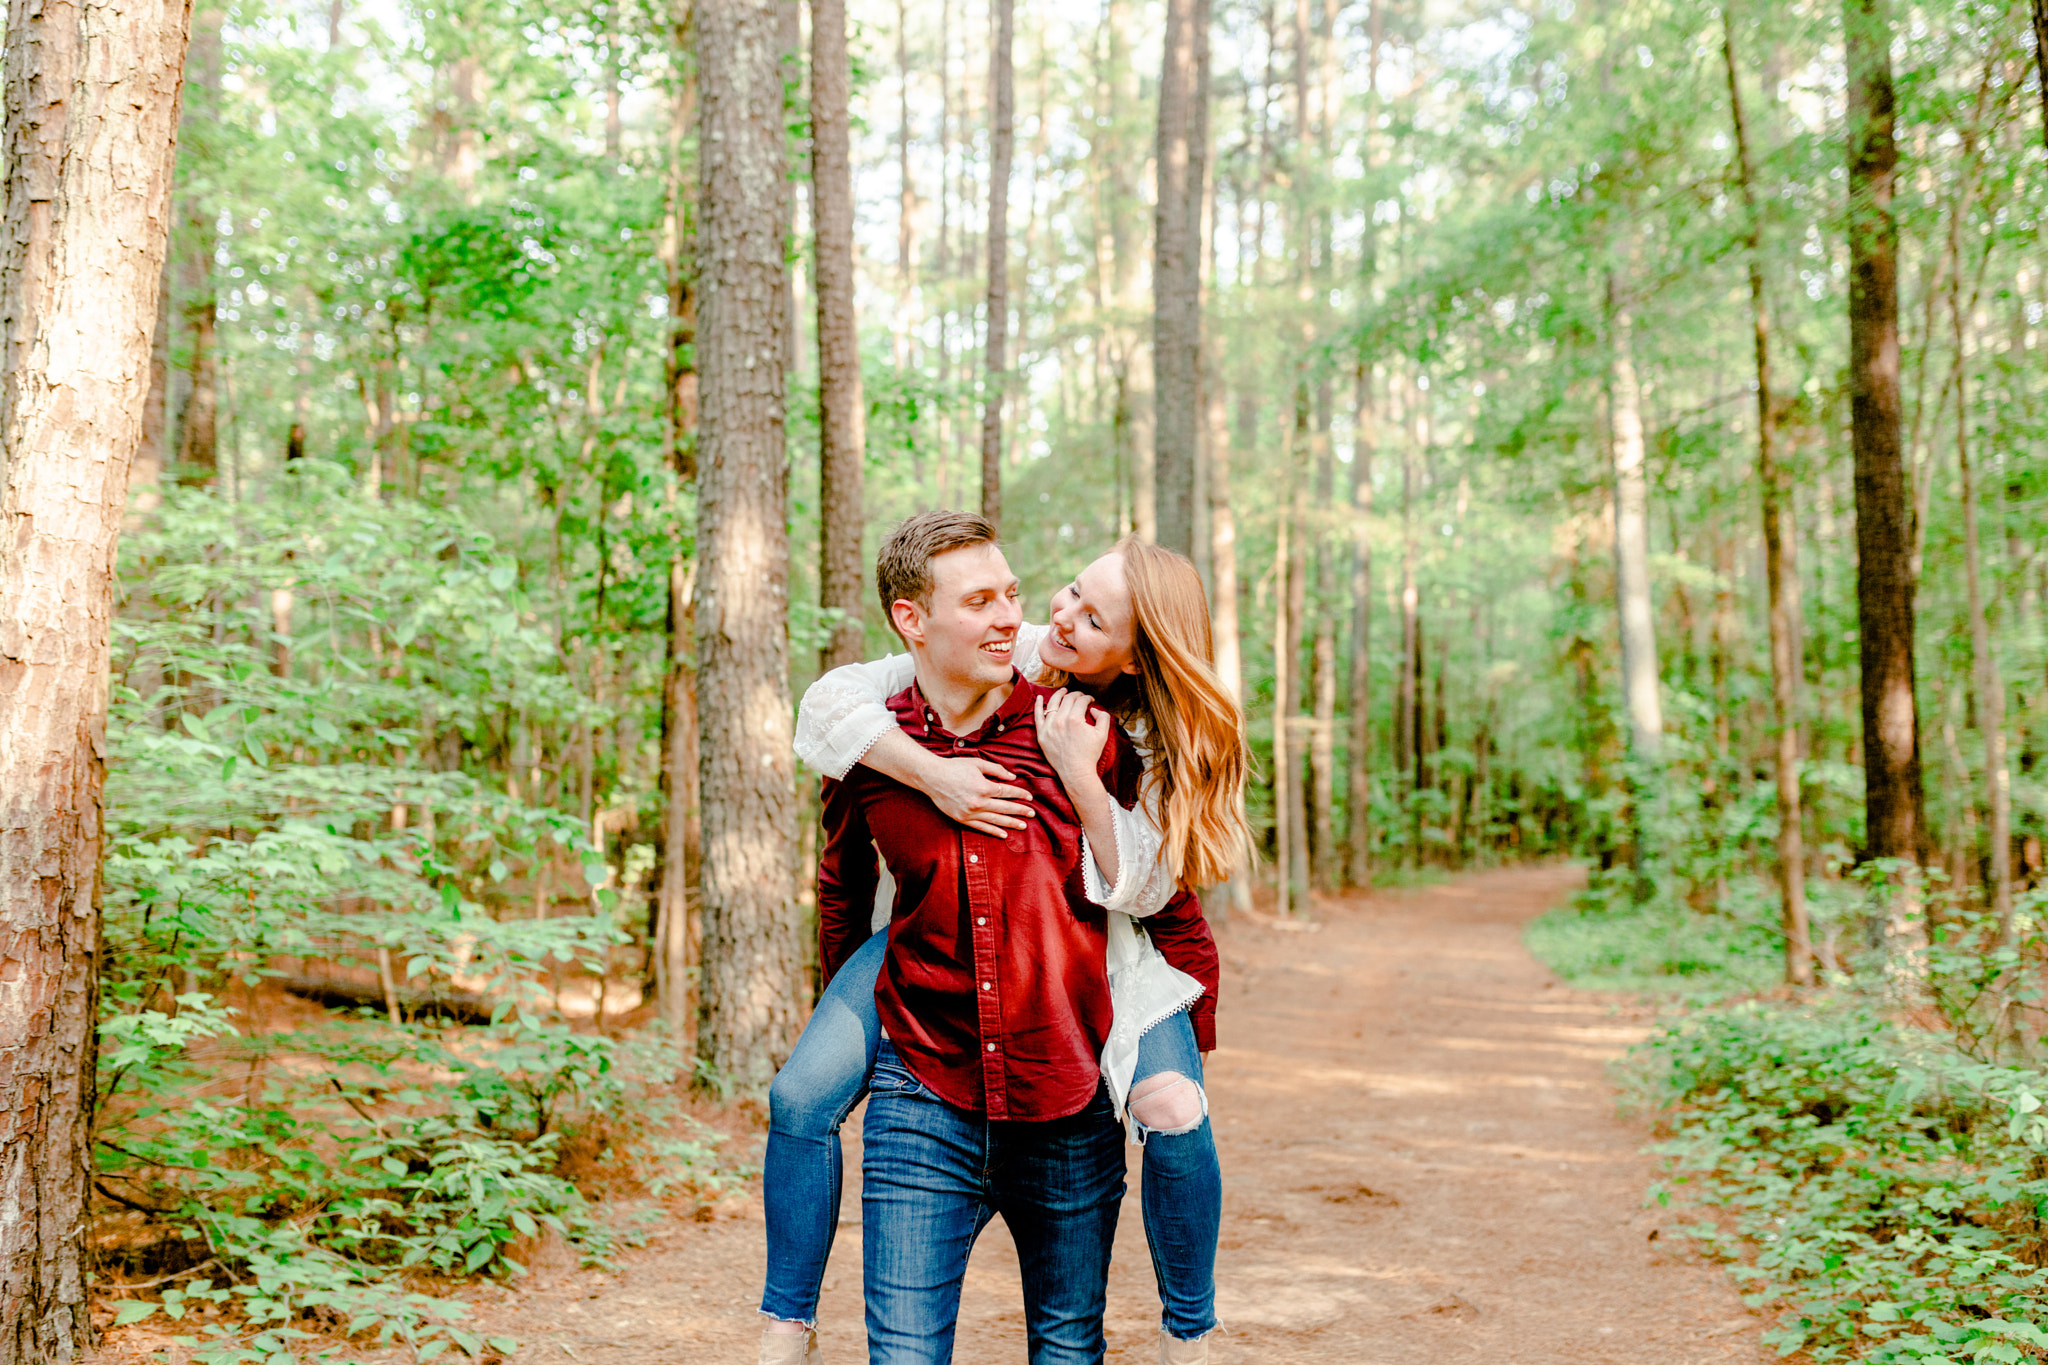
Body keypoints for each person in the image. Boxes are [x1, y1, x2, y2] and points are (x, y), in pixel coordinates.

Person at [760, 526, 1251, 1365]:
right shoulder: (1022, 647)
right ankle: (784, 1324)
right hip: (942, 932)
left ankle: (1190, 1332)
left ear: (1135, 655)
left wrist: (1085, 781)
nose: (1056, 617)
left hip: (1117, 933)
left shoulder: (1136, 739)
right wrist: (933, 773)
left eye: (1092, 618)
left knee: (1176, 1110)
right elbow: (830, 706)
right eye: (1065, 591)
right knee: (802, 1093)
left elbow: (1163, 895)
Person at [817, 511, 1149, 1364]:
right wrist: (844, 1030)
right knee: (902, 1355)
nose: (1012, 616)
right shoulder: (869, 746)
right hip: (921, 1097)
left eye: (1011, 592)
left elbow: (1150, 887)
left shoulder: (1080, 734)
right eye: (980, 601)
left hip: (1068, 1100)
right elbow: (840, 890)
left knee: (1070, 1348)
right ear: (912, 620)